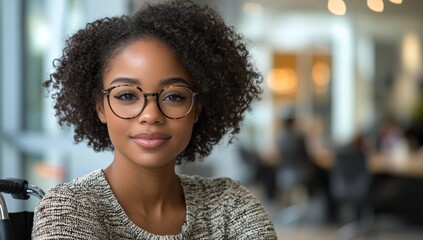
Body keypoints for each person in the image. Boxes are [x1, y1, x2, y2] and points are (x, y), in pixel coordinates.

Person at [32, 0, 277, 239]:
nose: (151, 115)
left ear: (197, 109)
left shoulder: (231, 206)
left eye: (174, 96)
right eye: (127, 95)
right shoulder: (70, 209)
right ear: (100, 108)